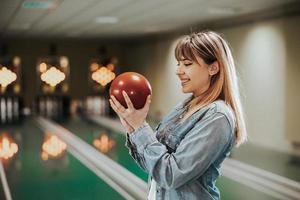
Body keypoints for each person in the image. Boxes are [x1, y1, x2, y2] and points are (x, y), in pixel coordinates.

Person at [109, 30, 247, 200]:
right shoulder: (185, 106)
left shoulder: (218, 117)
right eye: (178, 64)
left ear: (213, 68)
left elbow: (171, 175)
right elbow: (155, 167)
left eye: (187, 64)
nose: (178, 71)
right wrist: (132, 128)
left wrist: (140, 127)